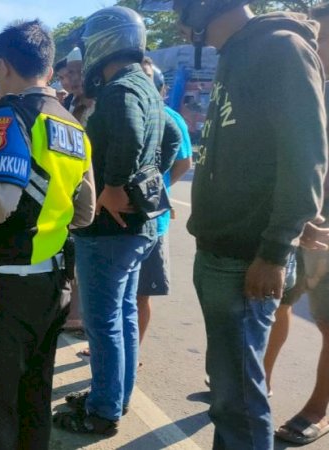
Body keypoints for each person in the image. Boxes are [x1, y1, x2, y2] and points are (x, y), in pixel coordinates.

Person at [142, 0, 327, 448]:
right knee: (229, 396)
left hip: (246, 259)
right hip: (219, 251)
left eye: (181, 11)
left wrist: (273, 252)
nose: (179, 24)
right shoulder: (234, 55)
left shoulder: (281, 49)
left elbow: (306, 162)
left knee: (238, 402)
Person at [0, 20, 95, 450]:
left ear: (3, 65)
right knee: (33, 400)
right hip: (53, 286)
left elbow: (0, 199)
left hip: (6, 289)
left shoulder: (9, 115)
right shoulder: (73, 125)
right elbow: (85, 212)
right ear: (48, 65)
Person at [55, 6, 180, 435]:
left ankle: (103, 411)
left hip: (107, 231)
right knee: (123, 315)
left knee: (103, 322)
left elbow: (126, 132)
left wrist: (114, 186)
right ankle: (115, 397)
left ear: (104, 42)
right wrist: (147, 179)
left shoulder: (119, 90)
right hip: (137, 228)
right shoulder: (145, 85)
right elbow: (174, 137)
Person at [263, 2, 329, 445]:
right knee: (277, 305)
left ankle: (317, 409)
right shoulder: (301, 87)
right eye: (316, 39)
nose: (317, 47)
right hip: (291, 226)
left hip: (324, 234)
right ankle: (258, 381)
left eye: (323, 40)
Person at [136, 58, 193, 347]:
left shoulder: (170, 117)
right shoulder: (128, 110)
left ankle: (133, 353)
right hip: (125, 221)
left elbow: (184, 161)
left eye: (147, 79)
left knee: (141, 293)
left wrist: (161, 188)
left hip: (152, 221)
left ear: (161, 88)